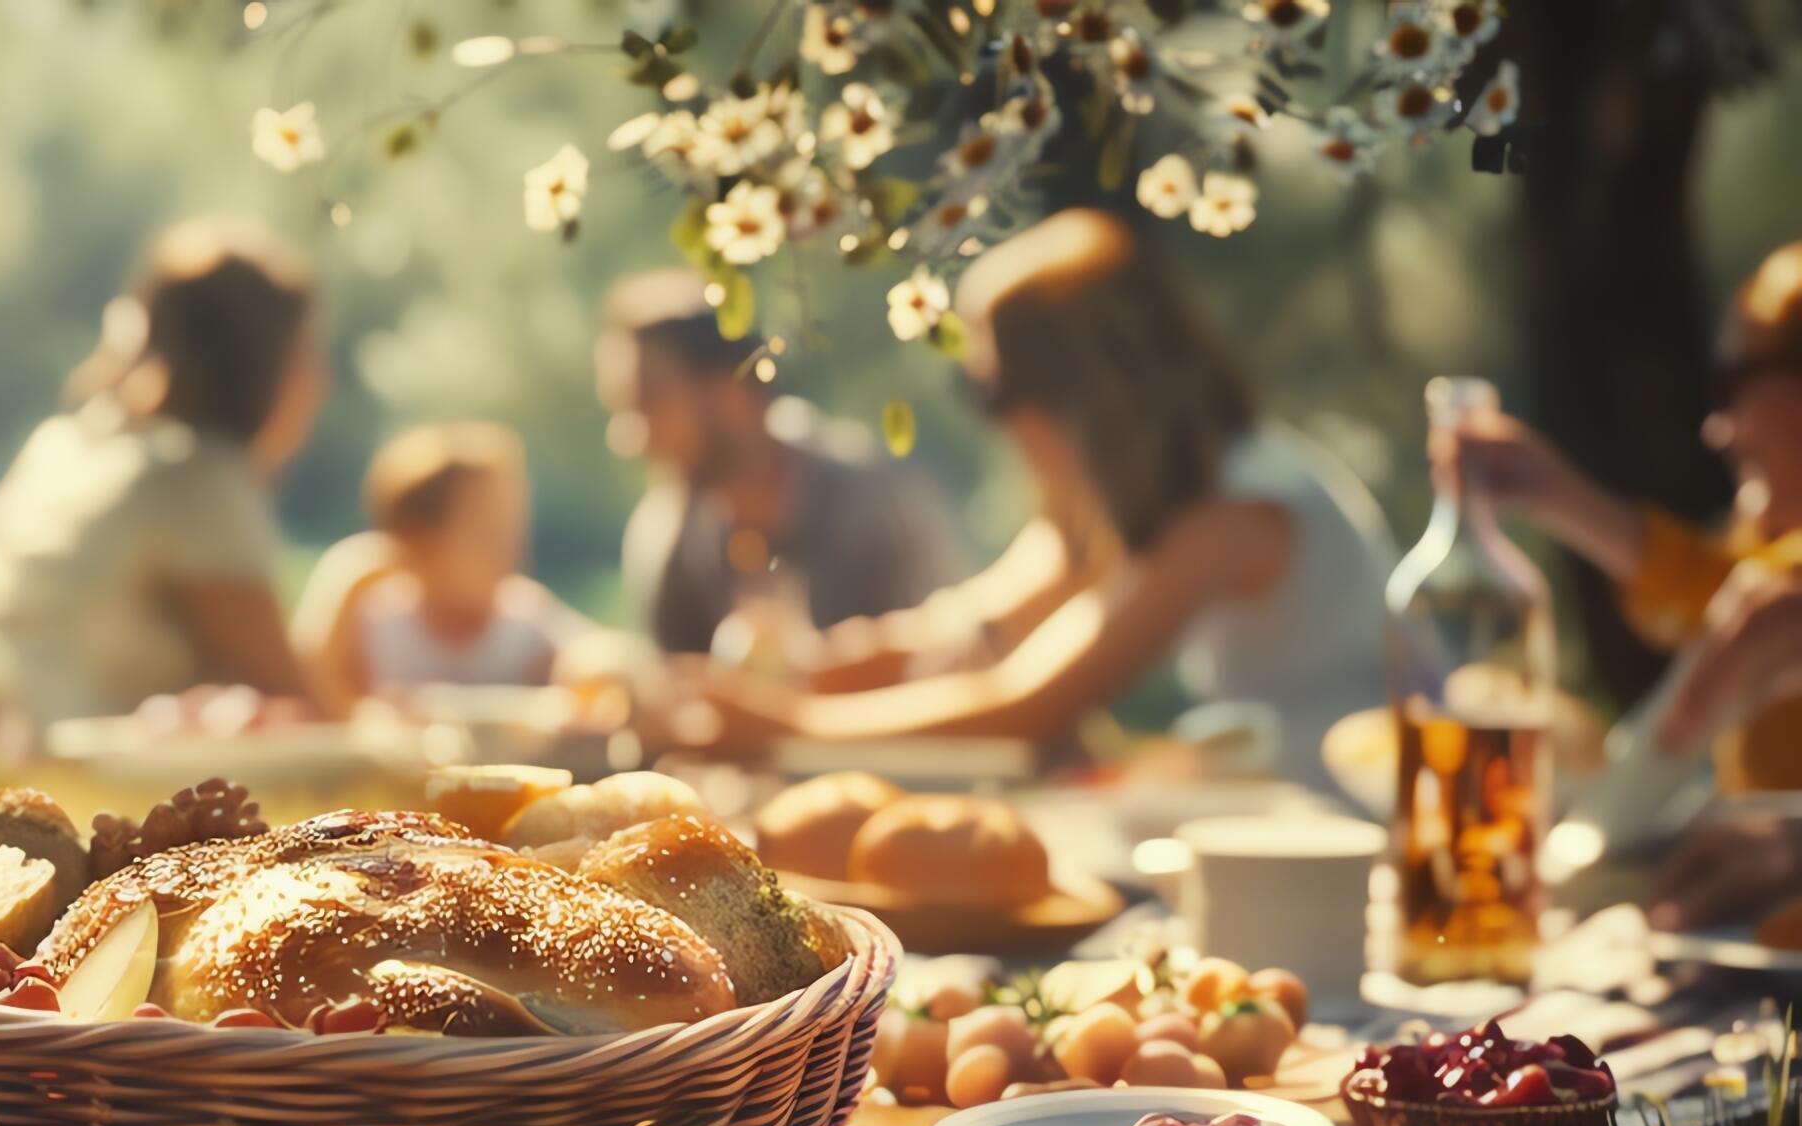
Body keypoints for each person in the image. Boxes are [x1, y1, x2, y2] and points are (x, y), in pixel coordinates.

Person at [692, 209, 1402, 790]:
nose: (993, 421)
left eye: (991, 389)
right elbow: (976, 628)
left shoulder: (1233, 511)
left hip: (1354, 822)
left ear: (1077, 388)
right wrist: (793, 676)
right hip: (1288, 808)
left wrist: (778, 727)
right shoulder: (1159, 493)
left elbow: (1026, 703)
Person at [0, 218, 328, 726]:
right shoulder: (201, 482)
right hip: (19, 758)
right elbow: (297, 704)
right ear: (270, 365)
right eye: (308, 353)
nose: (321, 380)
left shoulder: (68, 445)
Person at [1435, 239, 1802, 797]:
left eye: (1733, 384)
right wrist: (1553, 493)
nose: (1718, 430)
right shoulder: (1764, 540)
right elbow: (1718, 596)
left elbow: (1747, 605)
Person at [600, 268, 966, 658]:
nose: (631, 439)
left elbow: (953, 658)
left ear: (733, 392)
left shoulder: (873, 500)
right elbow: (675, 695)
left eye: (650, 403)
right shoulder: (668, 541)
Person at [291, 423, 587, 702]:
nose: (507, 546)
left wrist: (607, 663)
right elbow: (306, 679)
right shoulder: (377, 626)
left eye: (511, 526)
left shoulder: (524, 621)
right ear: (418, 541)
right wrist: (350, 575)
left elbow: (588, 652)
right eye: (485, 532)